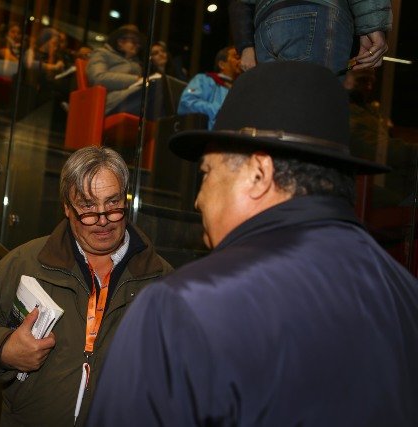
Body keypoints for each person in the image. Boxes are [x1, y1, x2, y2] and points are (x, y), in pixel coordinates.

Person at [88, 61, 418, 426]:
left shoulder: (181, 308)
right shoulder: (405, 292)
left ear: (259, 175)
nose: (198, 199)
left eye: (206, 173)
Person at [0, 146, 172, 426]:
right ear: (67, 208)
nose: (103, 220)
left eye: (113, 203)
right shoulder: (28, 261)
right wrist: (2, 350)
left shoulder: (162, 280)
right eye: (88, 206)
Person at [229, 0, 391, 74]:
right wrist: (373, 25)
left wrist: (246, 45)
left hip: (266, 22)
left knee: (276, 115)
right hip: (316, 14)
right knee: (314, 115)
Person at [86, 24, 165, 120]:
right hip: (111, 103)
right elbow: (97, 77)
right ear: (120, 42)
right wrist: (136, 80)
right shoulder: (102, 53)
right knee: (157, 86)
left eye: (138, 43)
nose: (137, 45)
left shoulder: (136, 63)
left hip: (132, 99)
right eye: (134, 42)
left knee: (164, 89)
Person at [177, 46, 241, 129]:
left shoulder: (241, 88)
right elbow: (186, 102)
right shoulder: (203, 80)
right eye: (237, 57)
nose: (241, 61)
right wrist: (219, 111)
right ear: (222, 64)